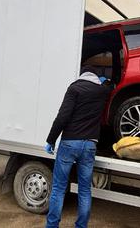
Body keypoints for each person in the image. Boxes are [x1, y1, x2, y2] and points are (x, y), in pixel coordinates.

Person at [44, 65, 111, 228]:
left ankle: (52, 226)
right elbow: (111, 85)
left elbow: (62, 117)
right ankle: (81, 226)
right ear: (95, 77)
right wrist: (105, 81)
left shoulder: (74, 88)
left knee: (59, 188)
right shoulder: (102, 91)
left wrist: (51, 140)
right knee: (85, 189)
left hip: (69, 143)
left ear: (82, 75)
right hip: (90, 145)